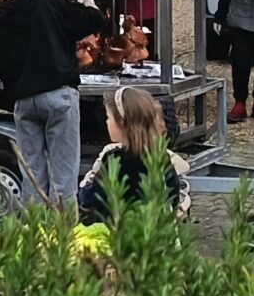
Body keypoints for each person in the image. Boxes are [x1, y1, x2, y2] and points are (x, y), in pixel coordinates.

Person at [0, 0, 108, 207]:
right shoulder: (45, 3)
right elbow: (93, 21)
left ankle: (34, 236)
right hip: (59, 95)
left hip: (24, 102)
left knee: (32, 177)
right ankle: (63, 237)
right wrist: (89, 4)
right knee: (64, 177)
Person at [80, 87, 188, 221]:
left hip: (118, 232)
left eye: (108, 117)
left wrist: (86, 184)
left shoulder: (115, 159)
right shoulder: (160, 156)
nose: (107, 122)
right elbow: (173, 196)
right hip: (154, 232)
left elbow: (91, 199)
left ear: (122, 122)